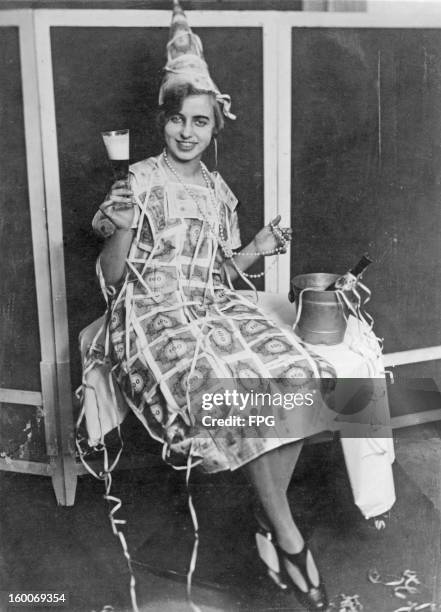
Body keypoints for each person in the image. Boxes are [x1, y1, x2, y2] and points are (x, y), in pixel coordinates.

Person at [90, 2, 338, 610]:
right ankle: (287, 534)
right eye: (177, 119)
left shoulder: (218, 191)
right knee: (227, 385)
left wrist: (255, 247)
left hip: (211, 305)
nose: (187, 132)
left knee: (300, 375)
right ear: (162, 122)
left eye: (200, 122)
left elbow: (220, 273)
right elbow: (112, 280)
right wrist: (121, 226)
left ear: (213, 128)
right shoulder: (137, 181)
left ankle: (265, 518)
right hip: (151, 316)